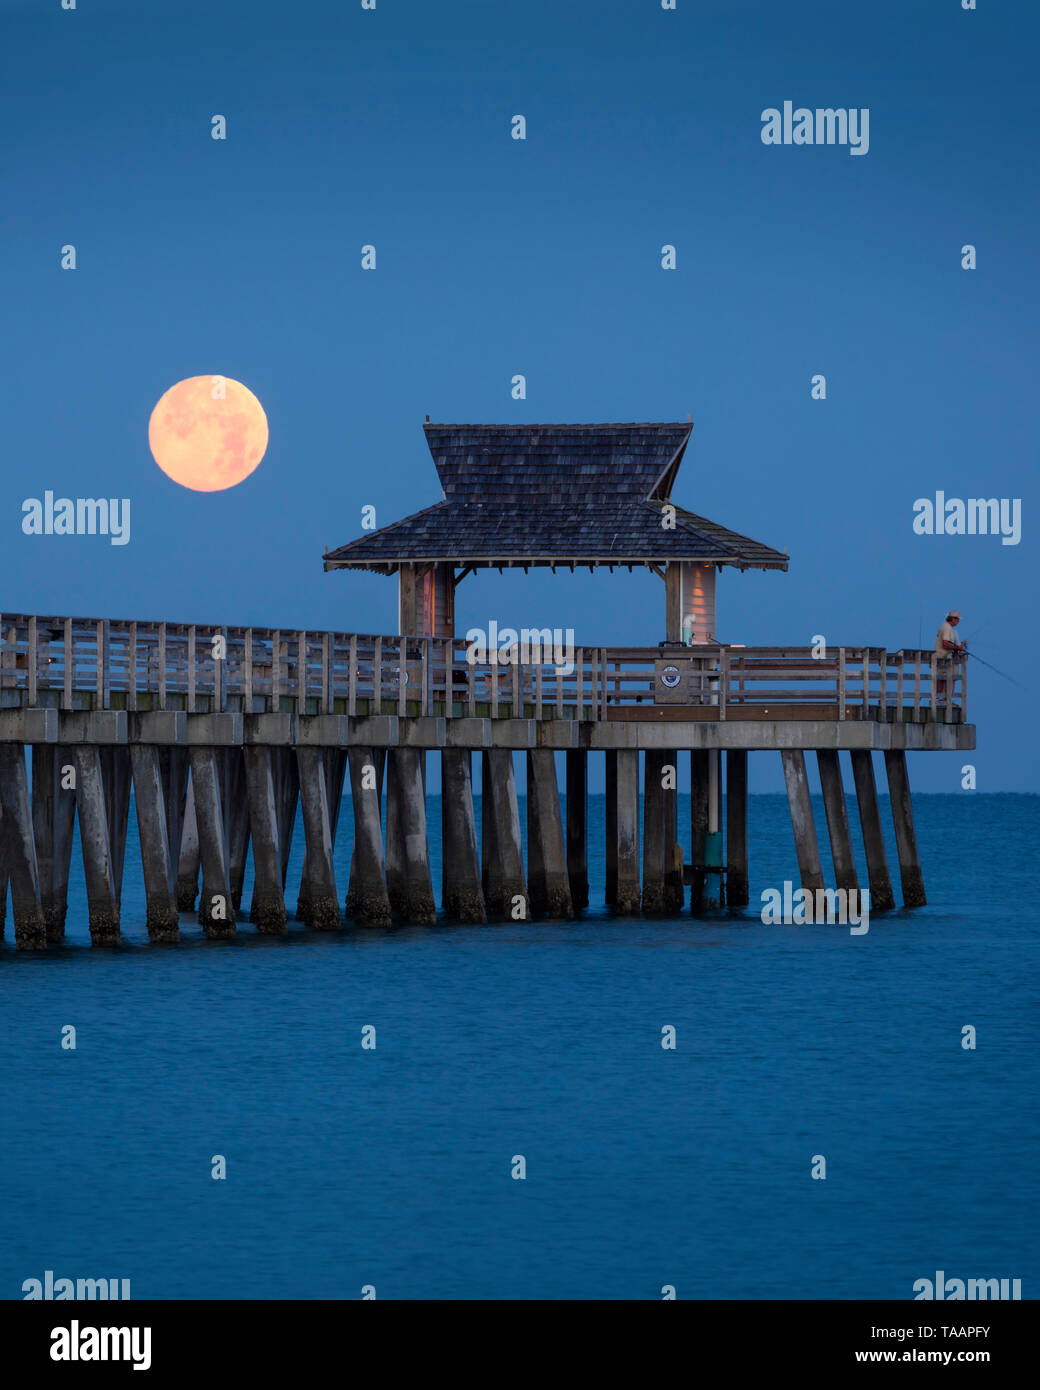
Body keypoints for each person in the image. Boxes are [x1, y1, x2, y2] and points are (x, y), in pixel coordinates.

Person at [935, 609, 967, 699]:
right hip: (944, 657)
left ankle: (941, 698)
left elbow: (949, 644)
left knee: (942, 678)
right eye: (957, 619)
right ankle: (944, 699)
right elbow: (945, 644)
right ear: (953, 619)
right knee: (948, 678)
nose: (958, 621)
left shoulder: (947, 627)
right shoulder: (947, 628)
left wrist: (959, 646)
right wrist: (958, 648)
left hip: (943, 657)